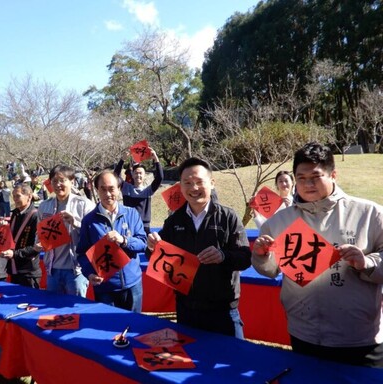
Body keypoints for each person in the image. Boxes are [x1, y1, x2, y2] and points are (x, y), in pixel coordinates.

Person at [251, 142, 383, 368]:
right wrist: (262, 256)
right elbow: (271, 270)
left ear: (333, 175)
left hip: (359, 337)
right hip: (305, 332)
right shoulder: (279, 221)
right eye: (300, 178)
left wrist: (366, 262)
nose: (308, 184)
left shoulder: (369, 213)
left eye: (315, 176)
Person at [147, 157, 251, 338]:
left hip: (223, 311)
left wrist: (223, 256)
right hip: (186, 309)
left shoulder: (228, 217)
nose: (193, 188)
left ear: (211, 183)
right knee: (192, 362)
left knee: (231, 361)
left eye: (199, 182)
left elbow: (245, 257)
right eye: (187, 182)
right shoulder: (174, 221)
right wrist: (152, 247)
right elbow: (158, 258)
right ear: (180, 186)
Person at [77, 170, 147, 312]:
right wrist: (89, 273)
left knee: (133, 327)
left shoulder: (131, 213)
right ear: (97, 190)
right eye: (103, 189)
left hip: (132, 284)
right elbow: (82, 254)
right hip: (105, 287)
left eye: (111, 189)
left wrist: (124, 240)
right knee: (108, 328)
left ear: (119, 189)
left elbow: (142, 243)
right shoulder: (89, 220)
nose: (108, 194)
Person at [38, 165, 95, 297]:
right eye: (54, 181)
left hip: (76, 271)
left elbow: (93, 235)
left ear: (72, 181)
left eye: (62, 180)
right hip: (52, 270)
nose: (58, 185)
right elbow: (39, 233)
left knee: (75, 311)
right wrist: (39, 242)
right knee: (52, 311)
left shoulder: (85, 205)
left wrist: (75, 223)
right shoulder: (44, 206)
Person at [0, 184, 42, 288]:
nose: (15, 199)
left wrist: (15, 254)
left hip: (29, 272)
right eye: (13, 196)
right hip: (14, 269)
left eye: (18, 196)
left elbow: (36, 246)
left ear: (29, 196)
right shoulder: (15, 214)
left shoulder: (36, 216)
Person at [114, 148, 163, 235]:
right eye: (136, 173)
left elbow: (159, 178)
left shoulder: (148, 191)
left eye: (141, 173)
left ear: (145, 175)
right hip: (128, 225)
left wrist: (156, 159)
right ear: (132, 174)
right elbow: (116, 176)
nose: (138, 175)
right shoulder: (126, 188)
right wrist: (122, 160)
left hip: (144, 227)